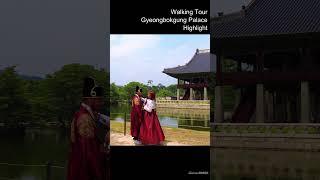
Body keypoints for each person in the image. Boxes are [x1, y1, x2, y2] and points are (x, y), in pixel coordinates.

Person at [67, 77, 109, 180]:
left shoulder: (83, 113)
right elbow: (89, 153)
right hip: (85, 170)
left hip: (78, 164)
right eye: (99, 100)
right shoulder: (85, 118)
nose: (101, 103)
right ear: (90, 99)